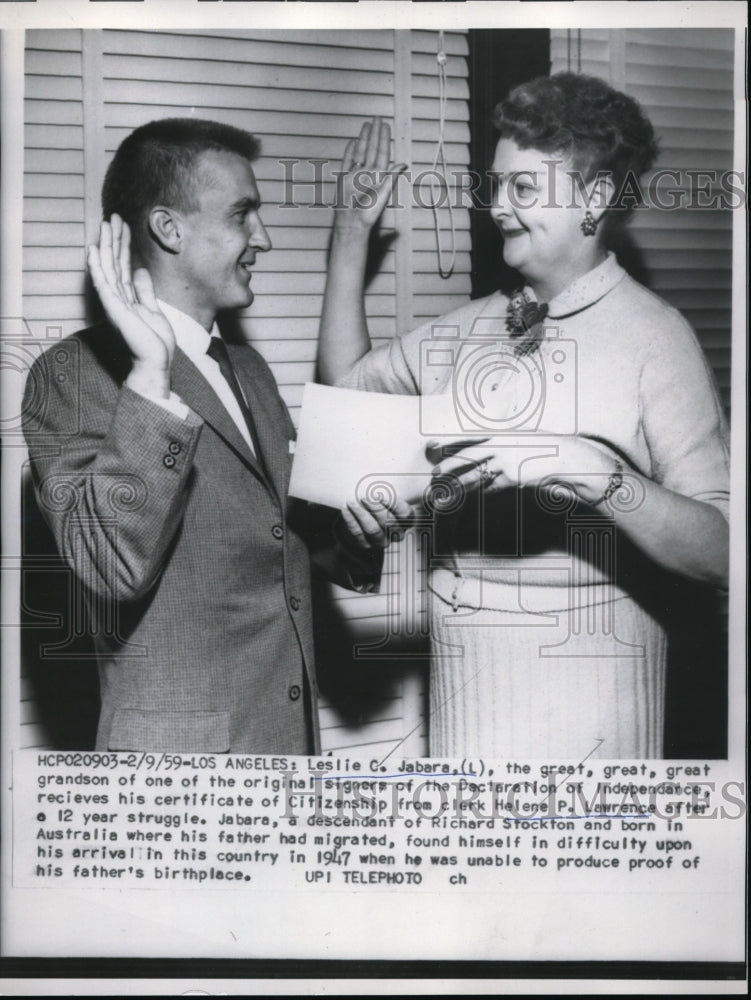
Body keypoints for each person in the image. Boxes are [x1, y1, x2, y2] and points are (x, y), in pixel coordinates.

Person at [317, 75, 730, 759]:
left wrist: (593, 472)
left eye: (523, 189)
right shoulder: (469, 326)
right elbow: (348, 396)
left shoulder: (656, 337)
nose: (497, 209)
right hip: (464, 692)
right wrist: (350, 234)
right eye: (495, 186)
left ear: (595, 199)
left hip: (599, 697)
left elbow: (721, 553)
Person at [22, 117, 409, 754]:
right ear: (169, 228)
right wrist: (151, 372)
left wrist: (356, 535)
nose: (264, 237)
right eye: (242, 214)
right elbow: (111, 567)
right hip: (180, 786)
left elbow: (288, 538)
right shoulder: (69, 375)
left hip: (286, 757)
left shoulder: (249, 371)